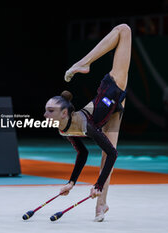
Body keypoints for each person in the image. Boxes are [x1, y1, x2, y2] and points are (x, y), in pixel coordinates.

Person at [44, 24, 131, 222]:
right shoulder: (63, 129)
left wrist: (98, 184)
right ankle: (101, 205)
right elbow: (82, 153)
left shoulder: (85, 126)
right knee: (124, 30)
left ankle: (83, 62)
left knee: (124, 29)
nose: (45, 115)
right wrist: (71, 182)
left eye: (50, 111)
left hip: (112, 88)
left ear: (64, 113)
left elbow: (112, 154)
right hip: (111, 106)